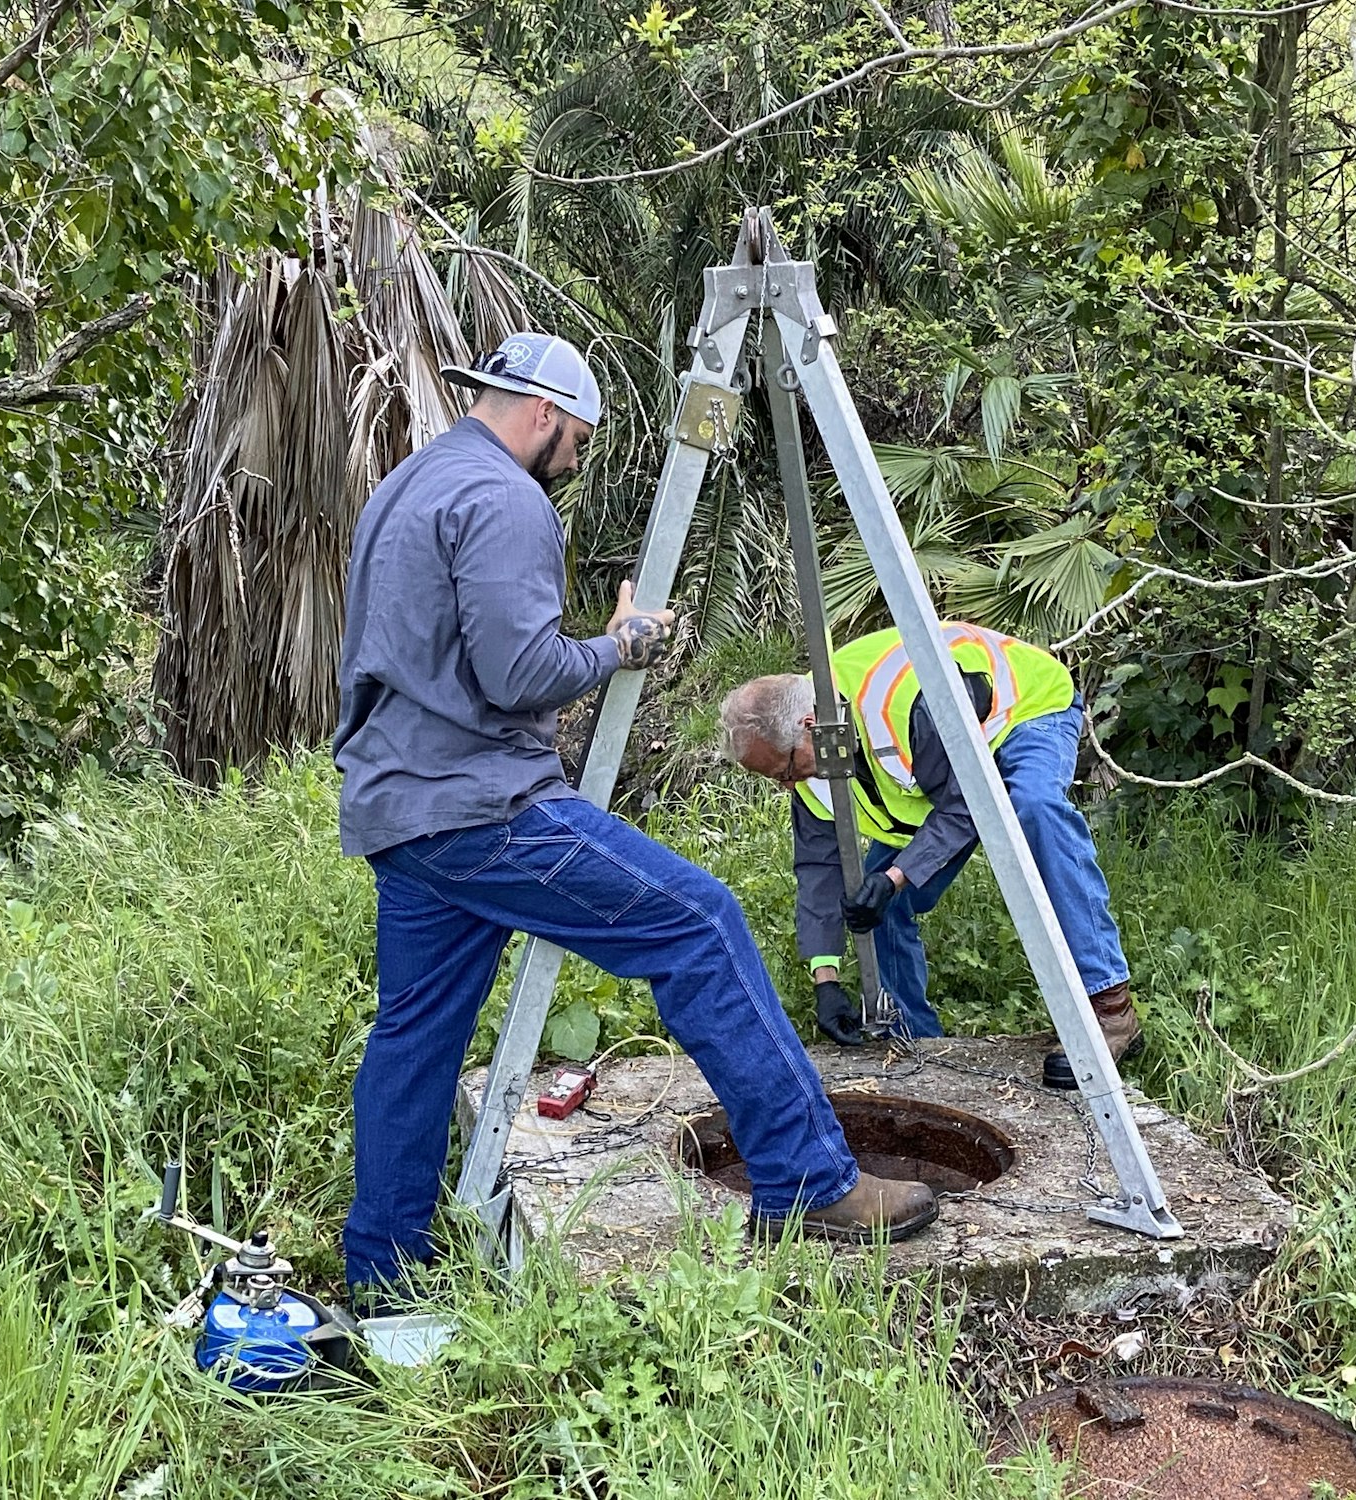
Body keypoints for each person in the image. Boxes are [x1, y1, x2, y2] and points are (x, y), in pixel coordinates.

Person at [333, 333, 937, 1295]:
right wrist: (617, 646)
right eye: (575, 439)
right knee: (699, 922)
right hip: (481, 808)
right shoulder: (505, 499)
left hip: (397, 810)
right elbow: (520, 672)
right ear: (542, 413)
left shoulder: (407, 486)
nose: (574, 460)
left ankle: (383, 1274)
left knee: (413, 1035)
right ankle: (809, 1181)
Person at [719, 623, 1141, 1074]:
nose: (785, 785)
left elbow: (969, 804)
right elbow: (819, 868)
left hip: (1021, 710)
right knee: (876, 901)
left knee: (1034, 809)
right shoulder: (809, 748)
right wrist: (826, 979)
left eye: (783, 771)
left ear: (809, 729)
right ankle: (914, 1042)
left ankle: (1111, 1010)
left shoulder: (904, 705)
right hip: (943, 764)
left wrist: (896, 875)